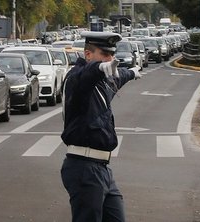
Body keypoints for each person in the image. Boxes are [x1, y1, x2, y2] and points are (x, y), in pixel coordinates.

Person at [60, 31, 142, 222]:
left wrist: (131, 73)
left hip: (102, 168)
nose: (110, 59)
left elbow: (118, 76)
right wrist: (98, 68)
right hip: (83, 167)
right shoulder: (77, 79)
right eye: (105, 54)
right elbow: (86, 75)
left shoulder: (104, 81)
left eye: (112, 55)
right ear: (88, 55)